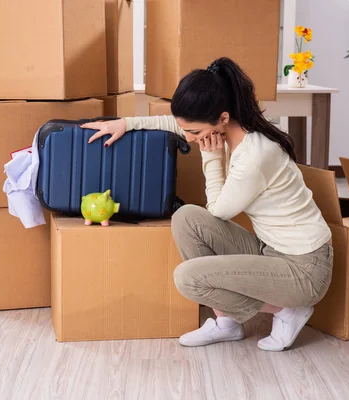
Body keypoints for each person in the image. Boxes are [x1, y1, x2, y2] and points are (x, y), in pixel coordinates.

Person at [81, 57, 333, 352]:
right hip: (272, 252)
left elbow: (219, 211)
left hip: (304, 271)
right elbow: (176, 125)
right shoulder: (228, 130)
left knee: (188, 279)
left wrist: (211, 157)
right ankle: (226, 322)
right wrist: (125, 123)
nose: (190, 139)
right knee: (187, 217)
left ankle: (288, 309)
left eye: (196, 134)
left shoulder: (255, 155)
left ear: (223, 118)